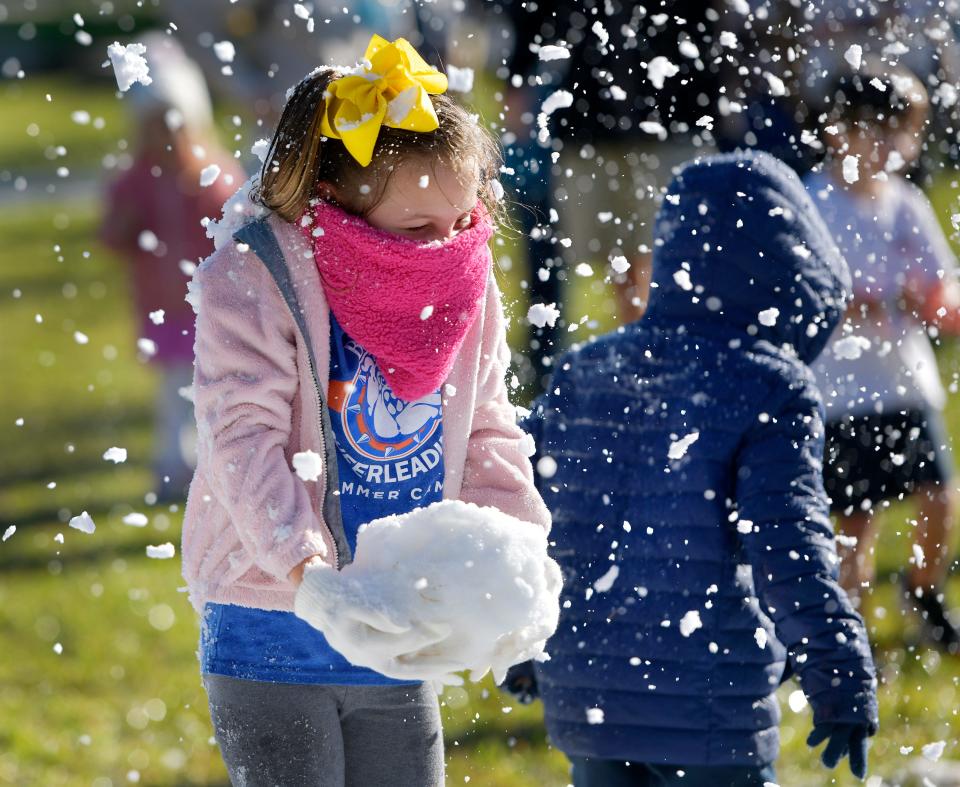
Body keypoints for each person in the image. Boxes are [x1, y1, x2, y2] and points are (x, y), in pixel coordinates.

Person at [180, 35, 550, 787]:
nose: (445, 247)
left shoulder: (461, 283)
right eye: (417, 230)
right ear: (339, 201)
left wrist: (519, 560)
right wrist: (306, 568)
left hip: (398, 612)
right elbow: (240, 440)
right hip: (269, 623)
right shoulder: (256, 277)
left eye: (460, 221)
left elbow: (487, 427)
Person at [505, 151, 879, 786]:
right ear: (796, 265)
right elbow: (788, 545)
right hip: (707, 700)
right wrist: (838, 669)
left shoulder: (584, 370)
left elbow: (524, 514)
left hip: (585, 687)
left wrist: (521, 636)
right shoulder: (767, 385)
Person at [806, 64, 960, 650]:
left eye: (905, 133)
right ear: (835, 132)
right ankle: (845, 626)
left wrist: (937, 303)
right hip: (841, 390)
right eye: (878, 132)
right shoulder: (814, 202)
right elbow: (803, 292)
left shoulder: (906, 203)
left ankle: (923, 589)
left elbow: (941, 283)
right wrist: (851, 305)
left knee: (940, 499)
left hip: (905, 381)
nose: (894, 147)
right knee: (854, 519)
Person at [100, 33, 242, 500]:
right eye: (155, 127)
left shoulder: (212, 176)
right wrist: (123, 225)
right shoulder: (135, 182)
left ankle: (210, 466)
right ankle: (170, 466)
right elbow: (113, 237)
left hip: (211, 304)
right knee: (174, 389)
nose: (165, 139)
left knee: (213, 387)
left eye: (174, 126)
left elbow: (236, 227)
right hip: (163, 304)